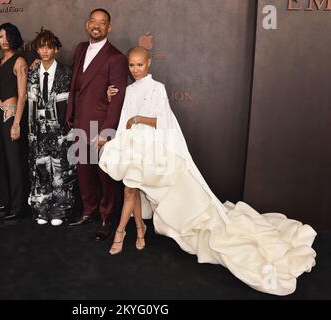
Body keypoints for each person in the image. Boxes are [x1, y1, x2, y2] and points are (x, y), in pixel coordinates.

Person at [99, 46, 317, 295]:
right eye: (131, 65)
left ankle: (124, 232)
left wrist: (138, 118)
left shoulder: (157, 88)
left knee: (132, 189)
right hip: (133, 146)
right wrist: (111, 99)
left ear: (149, 63)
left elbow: (162, 120)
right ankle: (137, 230)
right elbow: (122, 116)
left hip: (154, 147)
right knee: (131, 188)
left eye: (140, 64)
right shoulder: (128, 90)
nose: (135, 69)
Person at [66, 8, 128, 241]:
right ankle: (89, 210)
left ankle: (106, 217)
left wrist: (107, 132)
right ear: (87, 24)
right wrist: (70, 116)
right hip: (80, 121)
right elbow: (76, 85)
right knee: (83, 171)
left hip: (101, 125)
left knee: (104, 174)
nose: (97, 25)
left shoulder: (116, 57)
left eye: (102, 23)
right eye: (93, 21)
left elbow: (118, 97)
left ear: (109, 28)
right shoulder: (81, 48)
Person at [27, 28, 77, 226]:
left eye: (49, 47)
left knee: (61, 171)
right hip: (37, 133)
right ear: (37, 50)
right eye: (41, 47)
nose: (45, 51)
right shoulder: (32, 73)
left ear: (56, 49)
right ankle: (41, 209)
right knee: (40, 170)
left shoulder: (67, 73)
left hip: (61, 133)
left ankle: (60, 209)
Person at [0, 22, 28, 223]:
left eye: (7, 36)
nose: (4, 40)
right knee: (2, 161)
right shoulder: (0, 61)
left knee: (14, 163)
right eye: (0, 36)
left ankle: (18, 206)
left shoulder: (19, 61)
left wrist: (17, 123)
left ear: (14, 37)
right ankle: (5, 202)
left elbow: (22, 95)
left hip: (11, 117)